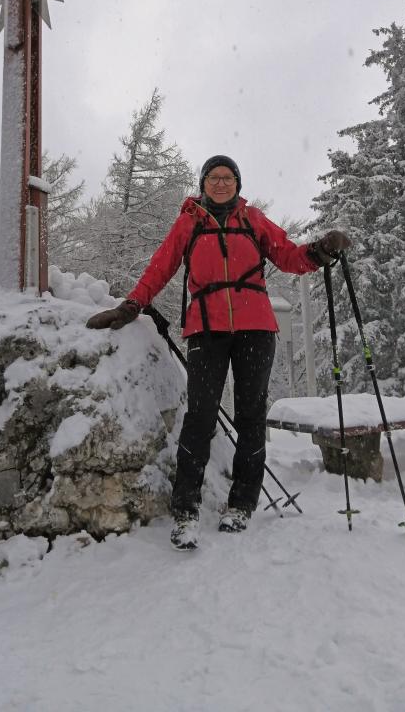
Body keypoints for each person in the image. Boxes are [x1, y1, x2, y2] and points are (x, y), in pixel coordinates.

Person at [86, 155, 350, 549]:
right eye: (214, 177)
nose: (221, 183)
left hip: (257, 330)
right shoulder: (189, 221)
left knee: (250, 416)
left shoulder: (253, 219)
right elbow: (160, 267)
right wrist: (131, 305)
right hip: (206, 331)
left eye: (228, 178)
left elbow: (289, 256)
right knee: (200, 416)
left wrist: (320, 251)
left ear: (237, 183)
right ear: (203, 183)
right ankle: (186, 508)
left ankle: (241, 504)